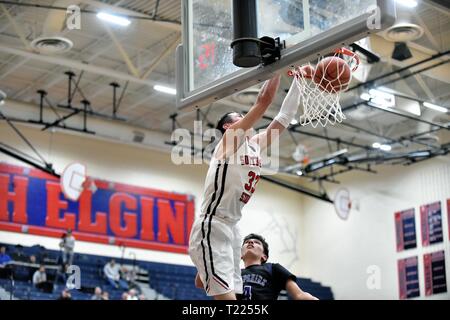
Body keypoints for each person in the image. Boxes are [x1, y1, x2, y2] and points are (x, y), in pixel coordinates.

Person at [189, 74, 302, 300]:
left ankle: (206, 269)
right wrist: (277, 68)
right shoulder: (229, 140)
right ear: (229, 126)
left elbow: (285, 116)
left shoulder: (255, 146)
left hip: (232, 228)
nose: (246, 119)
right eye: (239, 117)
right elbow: (264, 101)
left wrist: (299, 80)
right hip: (212, 224)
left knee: (239, 298)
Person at [239, 233, 318, 300]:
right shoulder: (234, 273)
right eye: (246, 242)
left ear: (264, 256)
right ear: (241, 255)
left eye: (256, 242)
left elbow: (299, 295)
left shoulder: (273, 268)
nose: (250, 242)